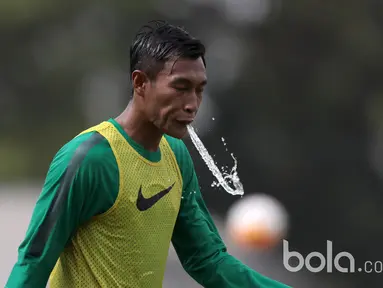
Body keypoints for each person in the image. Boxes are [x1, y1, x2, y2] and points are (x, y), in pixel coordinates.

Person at [6, 20, 290, 288]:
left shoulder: (177, 157)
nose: (192, 104)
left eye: (199, 90)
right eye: (180, 88)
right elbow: (34, 260)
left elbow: (207, 260)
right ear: (140, 83)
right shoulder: (90, 159)